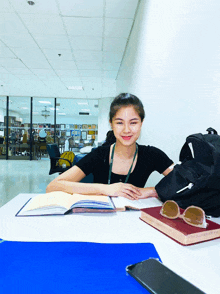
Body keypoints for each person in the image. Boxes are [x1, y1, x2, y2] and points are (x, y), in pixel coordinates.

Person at [46, 93, 174, 200]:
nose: (126, 130)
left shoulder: (152, 154)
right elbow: (53, 186)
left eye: (133, 122)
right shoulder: (99, 155)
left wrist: (152, 191)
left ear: (141, 123)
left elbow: (187, 183)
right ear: (111, 124)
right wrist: (106, 189)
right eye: (119, 123)